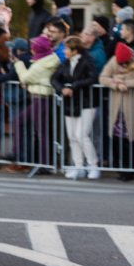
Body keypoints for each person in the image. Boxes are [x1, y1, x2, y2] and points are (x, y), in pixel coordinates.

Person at [99, 42, 134, 180]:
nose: (123, 66)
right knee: (118, 138)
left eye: (125, 63)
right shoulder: (113, 61)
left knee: (133, 137)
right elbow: (103, 77)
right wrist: (114, 84)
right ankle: (123, 167)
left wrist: (124, 82)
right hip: (118, 107)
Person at [52, 36, 100, 179]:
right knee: (72, 136)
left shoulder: (87, 61)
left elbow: (92, 78)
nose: (64, 51)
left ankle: (93, 165)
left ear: (74, 50)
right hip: (71, 103)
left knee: (82, 135)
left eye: (67, 48)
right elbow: (54, 78)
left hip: (86, 102)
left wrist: (73, 86)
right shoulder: (66, 63)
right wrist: (62, 89)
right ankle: (78, 166)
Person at [13, 35, 62, 167]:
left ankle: (44, 163)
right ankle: (17, 153)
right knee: (20, 122)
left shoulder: (42, 65)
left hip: (41, 100)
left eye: (33, 47)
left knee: (41, 133)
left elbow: (25, 78)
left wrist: (18, 64)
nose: (31, 50)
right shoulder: (45, 60)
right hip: (38, 98)